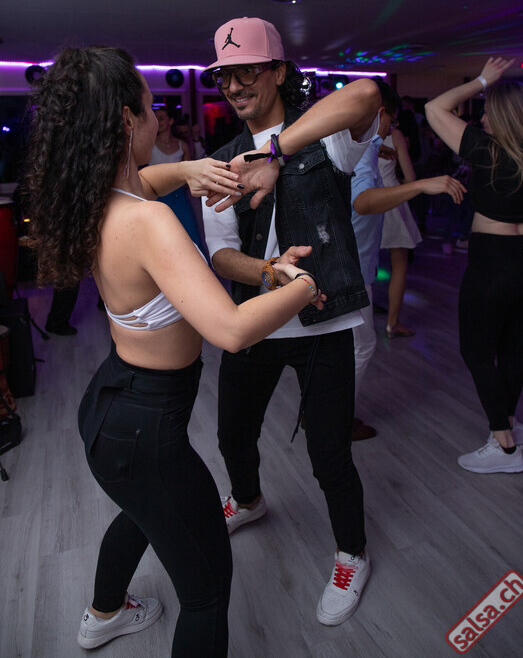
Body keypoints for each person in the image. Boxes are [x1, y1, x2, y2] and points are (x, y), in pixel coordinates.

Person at [23, 46, 325, 658]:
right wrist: (299, 284)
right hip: (143, 429)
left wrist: (187, 170)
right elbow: (231, 330)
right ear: (127, 121)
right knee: (207, 592)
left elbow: (146, 184)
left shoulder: (101, 197)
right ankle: (108, 613)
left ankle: (104, 615)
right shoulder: (149, 223)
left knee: (143, 513)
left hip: (114, 408)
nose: (159, 116)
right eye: (150, 106)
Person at [201, 16, 381, 627]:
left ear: (279, 71)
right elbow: (221, 253)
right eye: (225, 76)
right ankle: (248, 499)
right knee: (232, 435)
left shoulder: (324, 140)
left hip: (323, 325)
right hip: (254, 321)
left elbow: (366, 94)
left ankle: (352, 553)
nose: (235, 86)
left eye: (248, 71)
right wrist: (267, 273)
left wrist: (277, 151)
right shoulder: (221, 161)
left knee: (330, 455)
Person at [425, 57, 523, 473]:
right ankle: (512, 424)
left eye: (488, 110)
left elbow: (434, 108)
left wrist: (484, 80)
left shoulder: (487, 150)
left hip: (493, 262)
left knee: (476, 351)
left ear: (504, 115)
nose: (483, 118)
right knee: (513, 349)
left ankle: (504, 446)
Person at [350, 79, 465, 440]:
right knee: (361, 347)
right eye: (391, 121)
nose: (391, 129)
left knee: (341, 347)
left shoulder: (356, 145)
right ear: (381, 113)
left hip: (348, 263)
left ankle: (322, 415)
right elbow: (362, 201)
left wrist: (381, 152)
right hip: (351, 270)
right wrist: (420, 185)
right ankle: (334, 420)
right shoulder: (363, 152)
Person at [377, 90, 422, 338]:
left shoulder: (357, 133)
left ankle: (356, 323)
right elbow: (411, 178)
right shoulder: (395, 135)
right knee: (399, 263)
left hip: (364, 196)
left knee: (363, 262)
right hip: (392, 197)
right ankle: (392, 324)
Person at [150, 106, 204, 250]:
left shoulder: (182, 145)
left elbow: (189, 176)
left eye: (161, 118)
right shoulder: (149, 144)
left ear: (171, 120)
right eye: (155, 118)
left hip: (179, 197)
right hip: (156, 198)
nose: (158, 121)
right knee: (159, 239)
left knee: (189, 236)